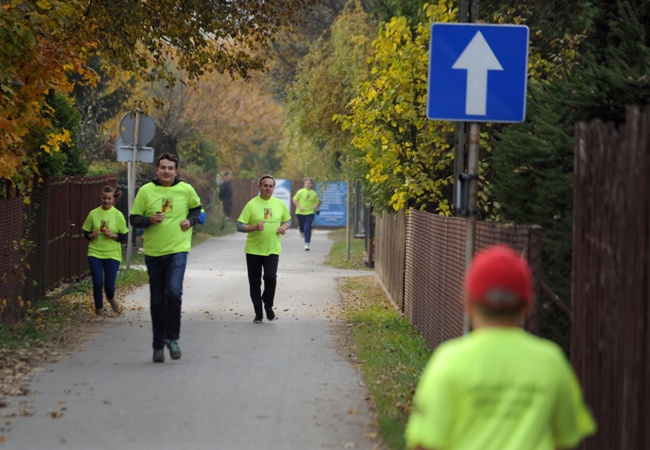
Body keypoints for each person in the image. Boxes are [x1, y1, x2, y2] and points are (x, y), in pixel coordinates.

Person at [405, 244, 596, 450]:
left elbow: (425, 444)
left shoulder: (448, 361)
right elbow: (567, 440)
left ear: (467, 302)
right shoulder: (551, 361)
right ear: (528, 305)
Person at [129, 152, 202, 363]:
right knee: (157, 301)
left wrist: (190, 220)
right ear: (157, 170)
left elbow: (197, 209)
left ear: (176, 171)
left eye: (170, 168)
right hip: (153, 253)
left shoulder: (186, 190)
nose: (167, 171)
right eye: (163, 167)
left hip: (178, 249)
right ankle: (158, 345)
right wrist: (149, 220)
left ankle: (173, 339)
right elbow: (134, 219)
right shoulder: (146, 191)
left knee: (174, 292)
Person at [236, 175, 291, 323]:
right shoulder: (251, 204)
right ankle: (258, 313)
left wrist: (283, 227)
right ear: (259, 187)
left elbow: (288, 220)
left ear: (274, 188)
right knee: (255, 283)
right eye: (265, 185)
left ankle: (268, 305)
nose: (268, 188)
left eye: (270, 186)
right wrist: (254, 227)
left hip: (272, 249)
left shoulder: (279, 204)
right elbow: (239, 226)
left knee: (270, 278)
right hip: (253, 251)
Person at [82, 185, 129, 318]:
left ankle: (111, 297)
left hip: (112, 254)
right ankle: (99, 310)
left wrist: (113, 235)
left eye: (109, 199)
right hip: (95, 252)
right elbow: (85, 233)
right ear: (100, 198)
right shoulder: (93, 213)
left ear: (113, 199)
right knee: (97, 282)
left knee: (109, 285)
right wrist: (91, 235)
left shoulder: (118, 215)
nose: (106, 201)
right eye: (104, 198)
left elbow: (124, 236)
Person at [292, 177, 320, 251]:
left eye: (309, 183)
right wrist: (299, 206)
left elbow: (317, 202)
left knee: (308, 228)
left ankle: (307, 244)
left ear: (311, 185)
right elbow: (294, 199)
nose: (308, 184)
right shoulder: (300, 192)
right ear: (304, 184)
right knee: (302, 227)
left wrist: (315, 206)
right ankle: (301, 230)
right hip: (300, 212)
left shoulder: (314, 193)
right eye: (306, 183)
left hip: (310, 212)